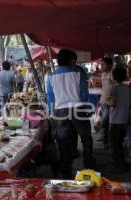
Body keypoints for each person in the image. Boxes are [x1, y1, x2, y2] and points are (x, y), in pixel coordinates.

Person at [47, 49, 95, 178]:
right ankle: (89, 166)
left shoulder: (51, 76)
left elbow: (50, 97)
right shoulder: (79, 73)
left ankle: (66, 170)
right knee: (86, 138)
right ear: (72, 60)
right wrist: (88, 109)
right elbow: (84, 93)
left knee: (63, 141)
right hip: (78, 108)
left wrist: (51, 113)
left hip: (60, 110)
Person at [106, 67, 130, 172]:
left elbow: (113, 103)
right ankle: (122, 162)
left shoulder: (114, 89)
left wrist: (107, 101)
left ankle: (119, 165)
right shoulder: (127, 88)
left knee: (113, 143)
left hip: (115, 120)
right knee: (119, 142)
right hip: (125, 119)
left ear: (113, 76)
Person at [97, 57, 113, 148]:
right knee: (105, 122)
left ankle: (104, 136)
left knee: (104, 121)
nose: (101, 65)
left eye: (103, 64)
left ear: (110, 65)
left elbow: (115, 88)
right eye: (101, 64)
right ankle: (105, 141)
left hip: (109, 102)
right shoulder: (103, 74)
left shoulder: (112, 74)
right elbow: (104, 88)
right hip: (103, 101)